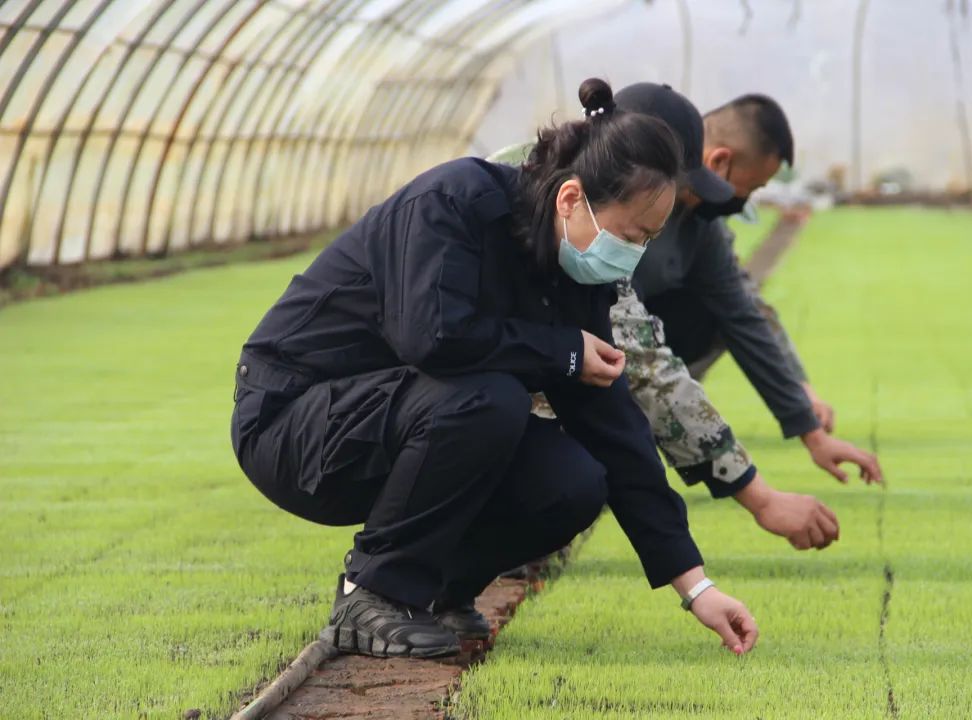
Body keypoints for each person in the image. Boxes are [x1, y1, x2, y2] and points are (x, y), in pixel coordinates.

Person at [230, 79, 758, 660]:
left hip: (399, 424)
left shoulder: (578, 273)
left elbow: (615, 426)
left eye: (648, 240)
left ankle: (432, 594)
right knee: (490, 397)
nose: (632, 254)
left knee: (575, 483)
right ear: (569, 200)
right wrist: (562, 351)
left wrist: (695, 585)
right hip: (292, 422)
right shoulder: (453, 202)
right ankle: (372, 592)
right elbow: (433, 336)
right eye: (631, 234)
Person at [489, 84, 881, 552]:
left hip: (548, 361)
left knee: (581, 473)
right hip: (455, 388)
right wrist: (760, 498)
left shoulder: (678, 226)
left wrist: (806, 425)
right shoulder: (523, 185)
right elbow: (648, 367)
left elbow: (741, 312)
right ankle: (414, 579)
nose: (647, 235)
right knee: (492, 419)